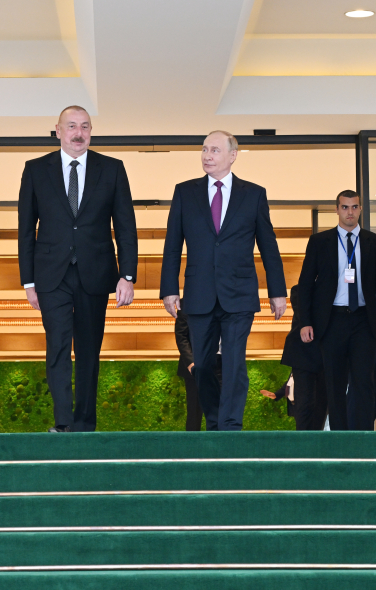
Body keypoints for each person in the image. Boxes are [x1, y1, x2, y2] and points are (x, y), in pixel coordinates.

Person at [18, 105, 138, 432]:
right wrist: (28, 281)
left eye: (85, 126)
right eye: (71, 126)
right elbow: (26, 229)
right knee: (57, 346)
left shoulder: (112, 169)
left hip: (96, 273)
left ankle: (84, 424)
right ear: (58, 131)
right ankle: (63, 423)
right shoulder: (35, 169)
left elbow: (125, 226)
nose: (78, 133)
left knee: (88, 350)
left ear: (91, 131)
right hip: (51, 275)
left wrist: (127, 275)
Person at [160, 130, 287, 431]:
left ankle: (230, 426)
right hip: (199, 294)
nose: (207, 155)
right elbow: (172, 243)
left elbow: (268, 246)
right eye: (204, 149)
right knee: (202, 365)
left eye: (215, 150)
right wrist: (169, 288)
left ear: (233, 155)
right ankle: (215, 421)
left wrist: (277, 291)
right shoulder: (185, 192)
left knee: (233, 361)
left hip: (239, 293)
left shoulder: (253, 194)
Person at [299, 190, 376, 431]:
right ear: (337, 210)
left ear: (360, 209)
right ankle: (340, 439)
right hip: (332, 320)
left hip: (365, 320)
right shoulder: (320, 242)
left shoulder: (373, 242)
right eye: (345, 207)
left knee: (364, 382)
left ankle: (363, 438)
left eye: (354, 207)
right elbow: (305, 284)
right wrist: (305, 321)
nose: (349, 212)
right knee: (334, 384)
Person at [279, 284, 327, 430]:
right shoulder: (299, 290)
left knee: (322, 405)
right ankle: (304, 441)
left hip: (327, 354)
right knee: (305, 404)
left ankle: (315, 440)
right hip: (303, 353)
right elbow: (302, 310)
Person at [175, 299, 222, 431]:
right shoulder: (187, 302)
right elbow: (181, 335)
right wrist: (191, 363)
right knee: (194, 412)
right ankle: (192, 444)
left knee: (221, 411)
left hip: (221, 363)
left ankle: (218, 443)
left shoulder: (226, 299)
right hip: (195, 366)